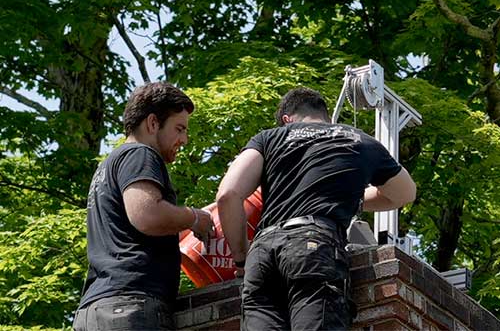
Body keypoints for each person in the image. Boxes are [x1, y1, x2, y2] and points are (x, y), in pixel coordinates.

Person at [216, 87, 416, 331]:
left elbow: (228, 195)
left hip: (262, 254)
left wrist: (241, 258)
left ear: (286, 120)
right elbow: (405, 193)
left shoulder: (269, 138)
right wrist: (348, 196)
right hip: (314, 247)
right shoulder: (358, 139)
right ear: (327, 118)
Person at [74, 82, 214, 331]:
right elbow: (146, 215)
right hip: (129, 308)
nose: (184, 139)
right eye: (179, 129)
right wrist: (193, 217)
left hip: (96, 311)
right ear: (152, 123)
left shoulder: (108, 165)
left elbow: (131, 230)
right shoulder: (140, 154)